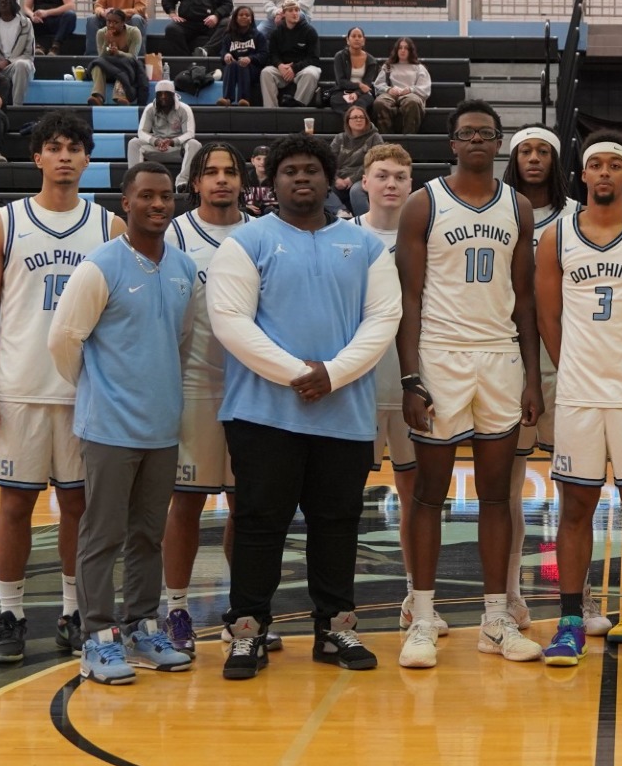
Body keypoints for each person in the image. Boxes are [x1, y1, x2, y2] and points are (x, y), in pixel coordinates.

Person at [208, 134, 398, 678]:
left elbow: (383, 318)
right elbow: (230, 322)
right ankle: (247, 630)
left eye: (311, 169)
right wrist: (300, 373)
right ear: (273, 182)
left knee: (336, 524)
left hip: (344, 412)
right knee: (258, 523)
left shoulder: (364, 245)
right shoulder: (246, 243)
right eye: (290, 170)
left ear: (329, 177)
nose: (301, 178)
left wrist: (333, 373)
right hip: (262, 413)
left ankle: (335, 628)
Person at [394, 100, 544, 669]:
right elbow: (409, 298)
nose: (477, 140)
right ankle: (423, 616)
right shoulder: (423, 203)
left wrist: (532, 376)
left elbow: (525, 298)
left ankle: (495, 619)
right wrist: (411, 377)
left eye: (486, 132)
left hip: (500, 357)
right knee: (429, 493)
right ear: (452, 143)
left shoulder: (518, 206)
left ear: (499, 141)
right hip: (439, 355)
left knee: (497, 495)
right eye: (467, 133)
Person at [0, 111, 123, 663]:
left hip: (85, 391)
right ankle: (9, 614)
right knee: (15, 505)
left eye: (73, 148)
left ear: (87, 159)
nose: (64, 156)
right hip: (18, 389)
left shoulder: (109, 227)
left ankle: (72, 611)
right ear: (37, 158)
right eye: (54, 147)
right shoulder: (3, 223)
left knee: (79, 506)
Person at [48, 163, 197, 685]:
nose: (158, 204)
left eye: (166, 196)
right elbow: (63, 340)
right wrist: (97, 388)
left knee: (148, 536)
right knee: (102, 535)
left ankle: (142, 628)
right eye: (147, 196)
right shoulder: (100, 266)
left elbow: (179, 343)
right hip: (109, 427)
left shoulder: (183, 268)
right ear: (126, 204)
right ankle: (98, 637)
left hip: (162, 426)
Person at [535, 139, 622, 667]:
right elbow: (547, 316)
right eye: (595, 164)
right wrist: (573, 366)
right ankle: (570, 621)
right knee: (576, 507)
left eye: (614, 165)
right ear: (582, 174)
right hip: (579, 392)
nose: (604, 173)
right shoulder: (556, 235)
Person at [158, 142, 251, 655]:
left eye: (230, 171)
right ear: (195, 183)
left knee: (247, 506)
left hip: (250, 386)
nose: (221, 179)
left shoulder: (261, 233)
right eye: (211, 172)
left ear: (242, 180)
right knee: (186, 503)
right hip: (192, 384)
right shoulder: (174, 234)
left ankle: (244, 610)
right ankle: (176, 608)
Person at [500, 126, 573, 630]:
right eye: (525, 150)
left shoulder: (576, 217)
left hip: (567, 359)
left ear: (555, 159)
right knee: (507, 489)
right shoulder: (497, 213)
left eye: (542, 150)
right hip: (508, 358)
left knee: (574, 489)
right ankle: (509, 594)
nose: (533, 158)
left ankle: (578, 597)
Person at [356, 145, 429, 639]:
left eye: (400, 176)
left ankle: (415, 598)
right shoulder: (343, 234)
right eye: (382, 175)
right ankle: (337, 606)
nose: (391, 184)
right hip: (358, 386)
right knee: (342, 503)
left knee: (416, 500)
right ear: (364, 181)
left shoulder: (425, 234)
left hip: (410, 384)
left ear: (411, 184)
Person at [130, 81, 201, 183]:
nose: (163, 97)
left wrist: (172, 141)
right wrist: (155, 141)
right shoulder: (150, 109)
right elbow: (141, 132)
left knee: (194, 144)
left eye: (166, 94)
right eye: (160, 94)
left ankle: (182, 181)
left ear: (173, 95)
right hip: (156, 148)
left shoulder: (184, 109)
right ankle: (136, 181)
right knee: (133, 143)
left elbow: (190, 133)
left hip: (177, 149)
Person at [260, 0, 322, 109]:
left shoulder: (309, 31)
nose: (295, 13)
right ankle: (271, 110)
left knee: (311, 73)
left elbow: (314, 58)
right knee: (266, 72)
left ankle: (298, 107)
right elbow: (273, 54)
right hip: (283, 70)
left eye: (297, 10)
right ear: (284, 13)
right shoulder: (276, 32)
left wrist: (294, 68)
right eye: (291, 10)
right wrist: (279, 65)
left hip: (302, 69)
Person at [329, 104, 384, 215]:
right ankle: (343, 212)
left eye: (361, 117)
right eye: (355, 117)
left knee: (356, 190)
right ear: (348, 121)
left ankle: (365, 222)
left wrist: (352, 179)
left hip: (364, 177)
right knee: (322, 189)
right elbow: (329, 161)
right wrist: (336, 179)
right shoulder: (340, 138)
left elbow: (376, 161)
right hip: (340, 178)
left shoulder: (374, 137)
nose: (359, 120)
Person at [373, 38, 431, 135]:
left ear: (410, 51)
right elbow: (378, 84)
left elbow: (424, 87)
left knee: (412, 102)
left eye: (406, 48)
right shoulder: (388, 66)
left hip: (411, 94)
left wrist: (410, 89)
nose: (403, 50)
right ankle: (387, 138)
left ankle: (408, 136)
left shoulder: (419, 68)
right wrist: (388, 89)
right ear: (396, 50)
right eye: (400, 48)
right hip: (391, 94)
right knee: (379, 103)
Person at [88, 9, 145, 107]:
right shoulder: (101, 33)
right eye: (108, 21)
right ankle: (98, 97)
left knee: (123, 67)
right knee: (97, 65)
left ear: (123, 23)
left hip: (127, 68)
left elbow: (133, 57)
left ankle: (121, 96)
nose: (111, 25)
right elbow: (101, 57)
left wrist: (118, 53)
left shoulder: (134, 32)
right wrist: (107, 42)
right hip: (108, 66)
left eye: (115, 22)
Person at [213, 5, 266, 107]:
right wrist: (226, 55)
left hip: (252, 69)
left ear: (251, 19)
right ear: (236, 18)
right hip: (233, 68)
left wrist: (250, 58)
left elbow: (264, 55)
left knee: (242, 64)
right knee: (232, 64)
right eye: (241, 15)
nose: (244, 17)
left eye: (247, 15)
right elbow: (223, 52)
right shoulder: (228, 36)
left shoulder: (258, 36)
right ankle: (227, 99)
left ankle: (244, 99)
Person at [331, 26, 381, 111]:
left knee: (360, 103)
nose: (357, 39)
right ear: (348, 40)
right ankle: (349, 119)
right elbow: (341, 81)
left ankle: (358, 118)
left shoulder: (371, 60)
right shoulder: (340, 56)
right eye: (353, 36)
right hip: (342, 91)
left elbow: (367, 84)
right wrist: (359, 85)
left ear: (364, 40)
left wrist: (356, 93)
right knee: (340, 102)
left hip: (362, 93)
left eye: (359, 36)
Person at [242, 144, 276, 217]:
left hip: (271, 216)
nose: (262, 162)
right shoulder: (243, 179)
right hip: (249, 216)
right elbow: (236, 200)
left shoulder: (277, 179)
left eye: (266, 159)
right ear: (252, 160)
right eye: (258, 159)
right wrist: (246, 206)